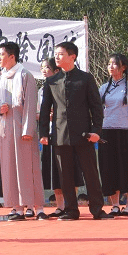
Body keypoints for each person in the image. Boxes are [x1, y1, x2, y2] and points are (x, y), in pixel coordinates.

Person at [39, 41, 113, 221]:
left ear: (72, 56)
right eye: (56, 54)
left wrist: (96, 131)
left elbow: (96, 107)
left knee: (91, 174)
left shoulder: (85, 79)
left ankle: (97, 210)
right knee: (65, 176)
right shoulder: (51, 81)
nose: (57, 57)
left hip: (84, 135)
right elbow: (44, 110)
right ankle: (71, 210)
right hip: (60, 134)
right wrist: (43, 134)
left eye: (61, 54)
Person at [0, 42, 47, 221]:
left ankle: (37, 207)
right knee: (9, 169)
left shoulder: (25, 75)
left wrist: (28, 129)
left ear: (12, 56)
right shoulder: (1, 77)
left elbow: (31, 105)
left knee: (28, 168)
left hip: (23, 130)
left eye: (2, 54)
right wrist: (0, 109)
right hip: (7, 129)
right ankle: (17, 207)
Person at [37, 58, 84, 218]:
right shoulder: (42, 89)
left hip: (67, 134)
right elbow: (39, 112)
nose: (44, 70)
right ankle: (60, 205)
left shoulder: (66, 85)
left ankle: (72, 203)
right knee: (54, 174)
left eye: (47, 67)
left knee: (71, 171)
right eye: (42, 67)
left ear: (56, 70)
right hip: (50, 135)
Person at [98, 53, 128, 216]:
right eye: (109, 64)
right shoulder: (103, 88)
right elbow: (97, 112)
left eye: (115, 64)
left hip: (125, 132)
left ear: (123, 68)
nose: (111, 67)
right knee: (109, 168)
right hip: (107, 132)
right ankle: (115, 204)